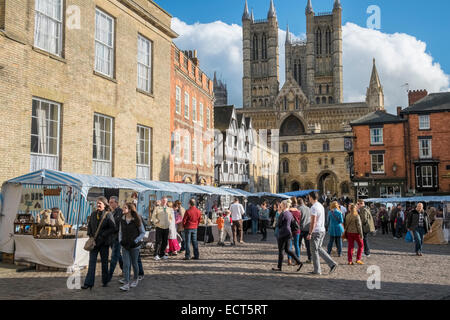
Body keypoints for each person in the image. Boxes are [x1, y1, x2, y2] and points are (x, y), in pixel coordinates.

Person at [82, 197, 116, 290]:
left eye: (100, 203)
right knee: (92, 263)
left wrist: (103, 235)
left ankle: (105, 281)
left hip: (104, 243)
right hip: (94, 243)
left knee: (104, 263)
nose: (98, 205)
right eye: (97, 203)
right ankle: (88, 283)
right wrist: (90, 234)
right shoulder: (93, 214)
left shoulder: (108, 215)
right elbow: (89, 226)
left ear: (104, 205)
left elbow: (113, 228)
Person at [306, 192, 338, 275]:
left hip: (316, 231)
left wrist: (310, 233)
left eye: (309, 197)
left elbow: (313, 221)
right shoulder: (320, 205)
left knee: (315, 250)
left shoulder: (314, 207)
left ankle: (322, 268)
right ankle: (325, 266)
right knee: (318, 248)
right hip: (322, 230)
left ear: (311, 197)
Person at [118, 202, 145, 291]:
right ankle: (126, 283)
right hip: (125, 245)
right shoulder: (122, 219)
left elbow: (142, 233)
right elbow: (120, 231)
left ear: (129, 209)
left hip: (135, 246)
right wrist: (120, 240)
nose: (123, 209)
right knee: (126, 264)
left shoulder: (137, 219)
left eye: (125, 208)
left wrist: (136, 241)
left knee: (134, 263)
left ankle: (135, 279)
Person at [272, 199, 303, 272]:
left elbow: (278, 224)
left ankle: (279, 267)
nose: (280, 206)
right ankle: (299, 261)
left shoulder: (283, 214)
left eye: (281, 205)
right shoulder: (289, 213)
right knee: (288, 250)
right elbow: (292, 223)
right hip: (289, 233)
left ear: (284, 205)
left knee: (281, 250)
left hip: (282, 233)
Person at [151, 196, 173, 261]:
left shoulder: (169, 209)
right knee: (158, 241)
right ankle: (156, 254)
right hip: (159, 227)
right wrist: (157, 222)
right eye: (163, 200)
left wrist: (169, 222)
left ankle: (162, 254)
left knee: (165, 242)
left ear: (167, 201)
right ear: (161, 201)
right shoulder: (157, 208)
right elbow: (153, 217)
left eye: (165, 201)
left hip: (166, 227)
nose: (164, 202)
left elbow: (171, 217)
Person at [108, 196, 123, 282]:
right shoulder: (110, 212)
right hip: (110, 238)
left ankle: (108, 276)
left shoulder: (120, 212)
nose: (110, 204)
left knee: (114, 257)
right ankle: (125, 269)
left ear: (116, 203)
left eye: (112, 202)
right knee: (118, 255)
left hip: (117, 238)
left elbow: (118, 226)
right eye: (109, 202)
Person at [288, 197, 301, 265]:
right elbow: (299, 220)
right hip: (297, 229)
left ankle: (289, 260)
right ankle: (297, 260)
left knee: (289, 246)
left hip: (289, 229)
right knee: (296, 245)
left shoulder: (289, 211)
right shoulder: (298, 211)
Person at [298, 198, 312, 263]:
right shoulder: (308, 208)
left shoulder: (299, 209)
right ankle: (310, 258)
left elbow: (298, 220)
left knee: (298, 244)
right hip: (307, 228)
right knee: (308, 245)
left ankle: (297, 258)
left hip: (301, 228)